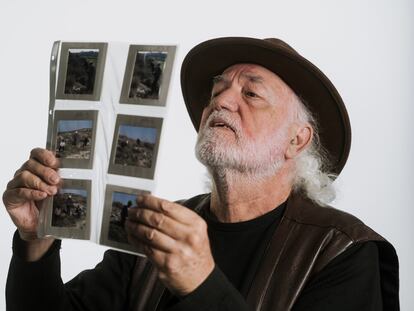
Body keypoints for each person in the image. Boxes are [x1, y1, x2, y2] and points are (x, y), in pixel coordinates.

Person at [3, 37, 399, 311]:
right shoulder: (153, 231)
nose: (221, 101)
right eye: (218, 90)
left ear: (296, 140)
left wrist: (202, 285)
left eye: (251, 94)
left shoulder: (344, 251)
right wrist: (34, 239)